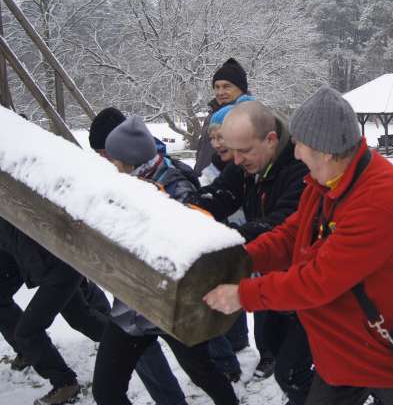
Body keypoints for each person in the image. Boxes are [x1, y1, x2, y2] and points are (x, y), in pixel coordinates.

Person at [203, 86, 393, 405]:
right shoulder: (324, 182)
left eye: (300, 145)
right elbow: (292, 235)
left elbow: (319, 279)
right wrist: (241, 259)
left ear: (325, 151)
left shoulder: (382, 198)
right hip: (342, 350)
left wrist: (243, 295)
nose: (295, 154)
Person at [91, 116, 239, 405]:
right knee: (106, 390)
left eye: (113, 160)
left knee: (204, 373)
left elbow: (188, 240)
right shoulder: (121, 184)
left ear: (129, 162)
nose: (108, 165)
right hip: (131, 308)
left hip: (172, 307)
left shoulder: (174, 185)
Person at [191, 101, 312, 403]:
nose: (236, 160)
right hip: (269, 274)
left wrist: (229, 242)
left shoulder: (300, 166)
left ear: (270, 140)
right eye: (233, 151)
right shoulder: (248, 160)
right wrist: (188, 209)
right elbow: (221, 194)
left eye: (243, 151)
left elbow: (281, 224)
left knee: (294, 369)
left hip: (301, 282)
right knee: (277, 352)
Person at [0, 221, 108, 405]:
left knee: (79, 319)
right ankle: (29, 352)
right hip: (17, 247)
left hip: (55, 259)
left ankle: (66, 384)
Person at [194, 58, 254, 176]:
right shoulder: (212, 115)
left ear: (241, 88)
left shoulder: (248, 117)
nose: (220, 92)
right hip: (205, 180)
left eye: (226, 86)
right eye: (217, 87)